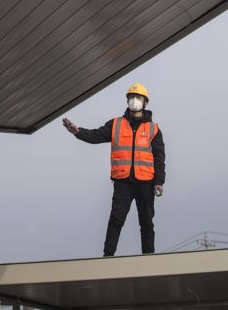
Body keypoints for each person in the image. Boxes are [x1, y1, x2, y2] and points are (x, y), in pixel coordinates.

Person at [62, 82, 166, 256]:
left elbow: (159, 157)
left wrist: (159, 181)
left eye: (138, 98)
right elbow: (95, 135)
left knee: (146, 221)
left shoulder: (153, 129)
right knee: (116, 219)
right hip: (123, 182)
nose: (135, 101)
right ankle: (108, 256)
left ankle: (149, 257)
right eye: (132, 97)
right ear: (127, 101)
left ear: (145, 102)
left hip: (146, 182)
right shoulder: (116, 124)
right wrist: (77, 131)